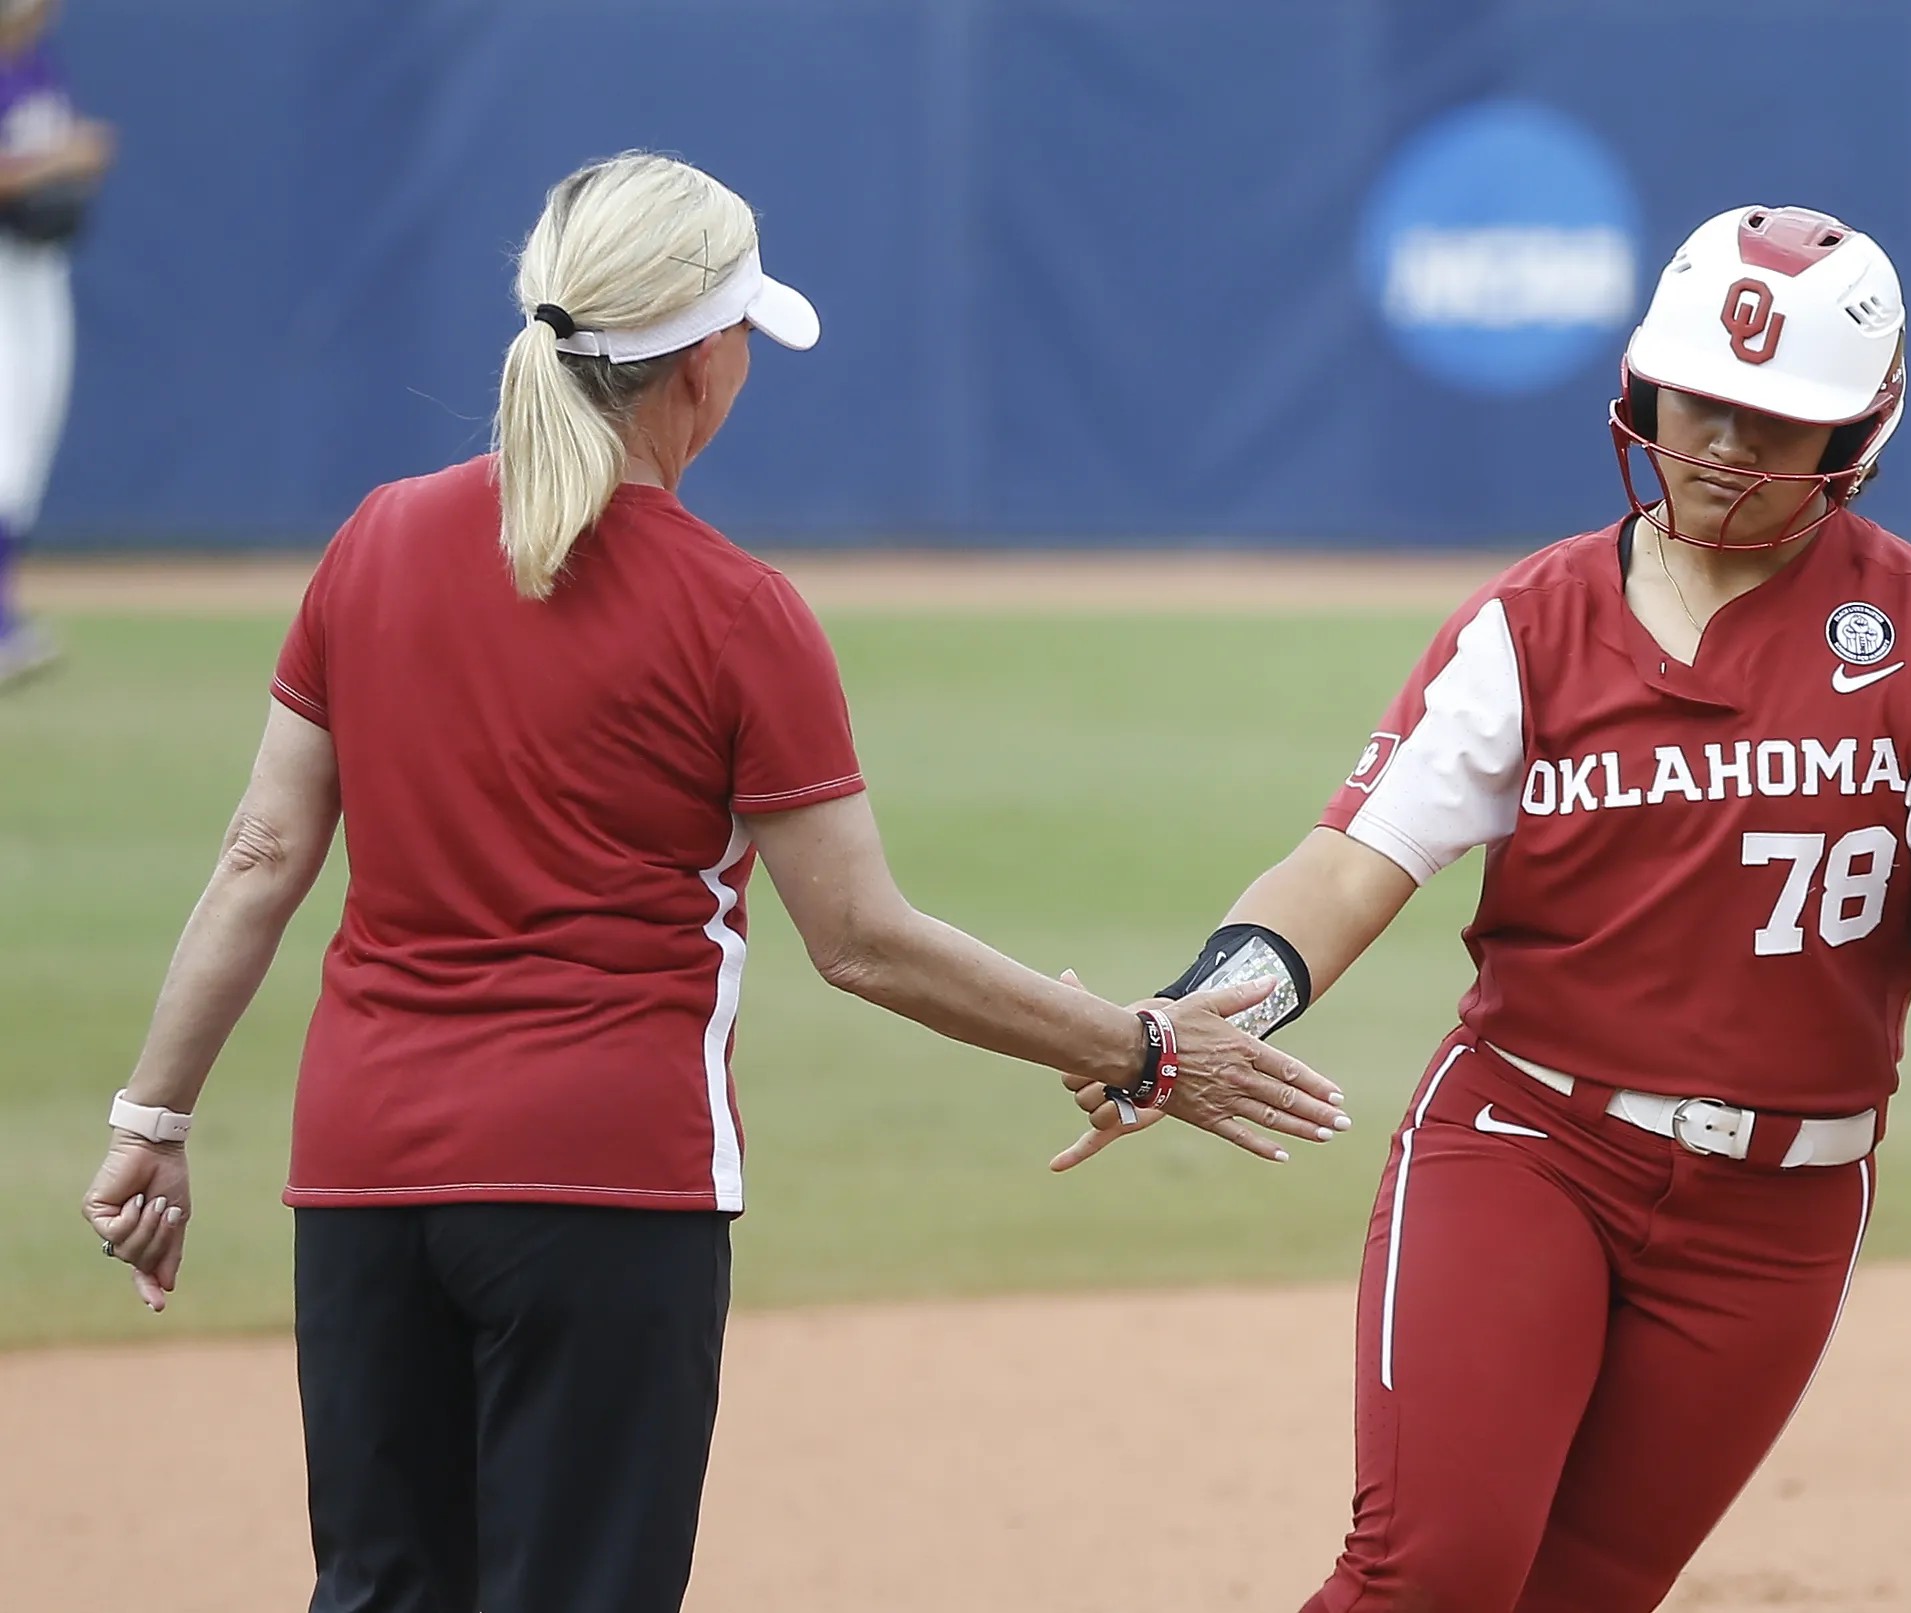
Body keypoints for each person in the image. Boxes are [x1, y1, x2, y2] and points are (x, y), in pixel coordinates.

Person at [76, 151, 1348, 1613]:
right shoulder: (738, 614)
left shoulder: (374, 542)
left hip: (364, 1171)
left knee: (379, 1588)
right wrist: (1141, 1047)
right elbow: (863, 939)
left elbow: (260, 856)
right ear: (704, 362)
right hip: (607, 1184)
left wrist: (151, 1118)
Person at [1054, 204, 1911, 1612]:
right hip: (1531, 1145)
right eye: (1697, 402)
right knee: (1436, 1572)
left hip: (1779, 1216)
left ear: (1857, 437)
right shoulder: (1530, 626)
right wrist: (1209, 999)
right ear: (1644, 384)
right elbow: (1353, 863)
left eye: (1773, 424)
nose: (1723, 446)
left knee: (1580, 1596)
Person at [0, 0, 110, 688]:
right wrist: (58, 158)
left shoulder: (38, 64)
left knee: (28, 445)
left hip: (39, 272)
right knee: (4, 446)